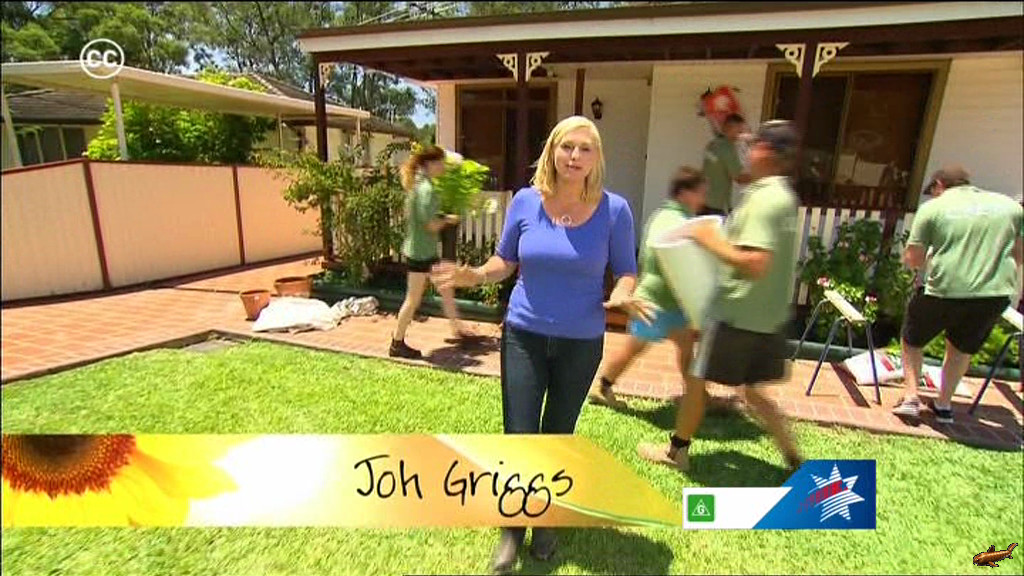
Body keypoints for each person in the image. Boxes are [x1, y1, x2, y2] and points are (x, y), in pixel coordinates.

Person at [433, 115, 650, 574]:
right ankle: (513, 530)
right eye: (567, 146)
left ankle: (546, 520)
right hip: (524, 335)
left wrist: (623, 294)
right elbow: (504, 261)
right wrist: (474, 275)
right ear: (552, 150)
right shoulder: (526, 202)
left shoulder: (615, 210)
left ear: (597, 158)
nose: (575, 156)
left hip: (580, 342)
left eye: (585, 148)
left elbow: (626, 270)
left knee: (556, 436)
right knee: (520, 436)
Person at [638, 120, 804, 475]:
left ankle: (677, 452)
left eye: (753, 144)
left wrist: (709, 240)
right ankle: (792, 456)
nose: (746, 150)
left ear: (766, 152)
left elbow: (755, 263)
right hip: (770, 317)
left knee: (696, 381)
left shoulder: (763, 201)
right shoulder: (785, 196)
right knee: (754, 392)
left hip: (737, 315)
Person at [892, 165, 1023, 423]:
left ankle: (911, 398)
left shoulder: (934, 208)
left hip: (944, 289)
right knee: (961, 348)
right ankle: (943, 405)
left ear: (939, 185)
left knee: (912, 339)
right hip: (993, 294)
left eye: (933, 190)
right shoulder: (1010, 208)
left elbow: (913, 258)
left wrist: (931, 259)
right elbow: (1019, 254)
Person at [588, 166, 707, 409]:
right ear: (685, 193)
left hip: (666, 300)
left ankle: (699, 397)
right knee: (635, 346)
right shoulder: (675, 221)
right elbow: (671, 258)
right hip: (656, 301)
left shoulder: (667, 217)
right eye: (700, 193)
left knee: (684, 348)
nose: (703, 200)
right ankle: (601, 385)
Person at [390, 145, 472, 359]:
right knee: (412, 300)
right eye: (441, 163)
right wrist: (449, 219)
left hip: (422, 250)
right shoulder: (425, 189)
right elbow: (431, 225)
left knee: (445, 288)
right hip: (420, 253)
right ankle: (397, 343)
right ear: (430, 164)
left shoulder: (420, 185)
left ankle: (458, 330)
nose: (443, 167)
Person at [701, 113, 752, 217]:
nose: (741, 135)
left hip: (703, 199)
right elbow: (739, 178)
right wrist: (762, 176)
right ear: (728, 128)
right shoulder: (727, 148)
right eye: (739, 131)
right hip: (718, 204)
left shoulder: (712, 144)